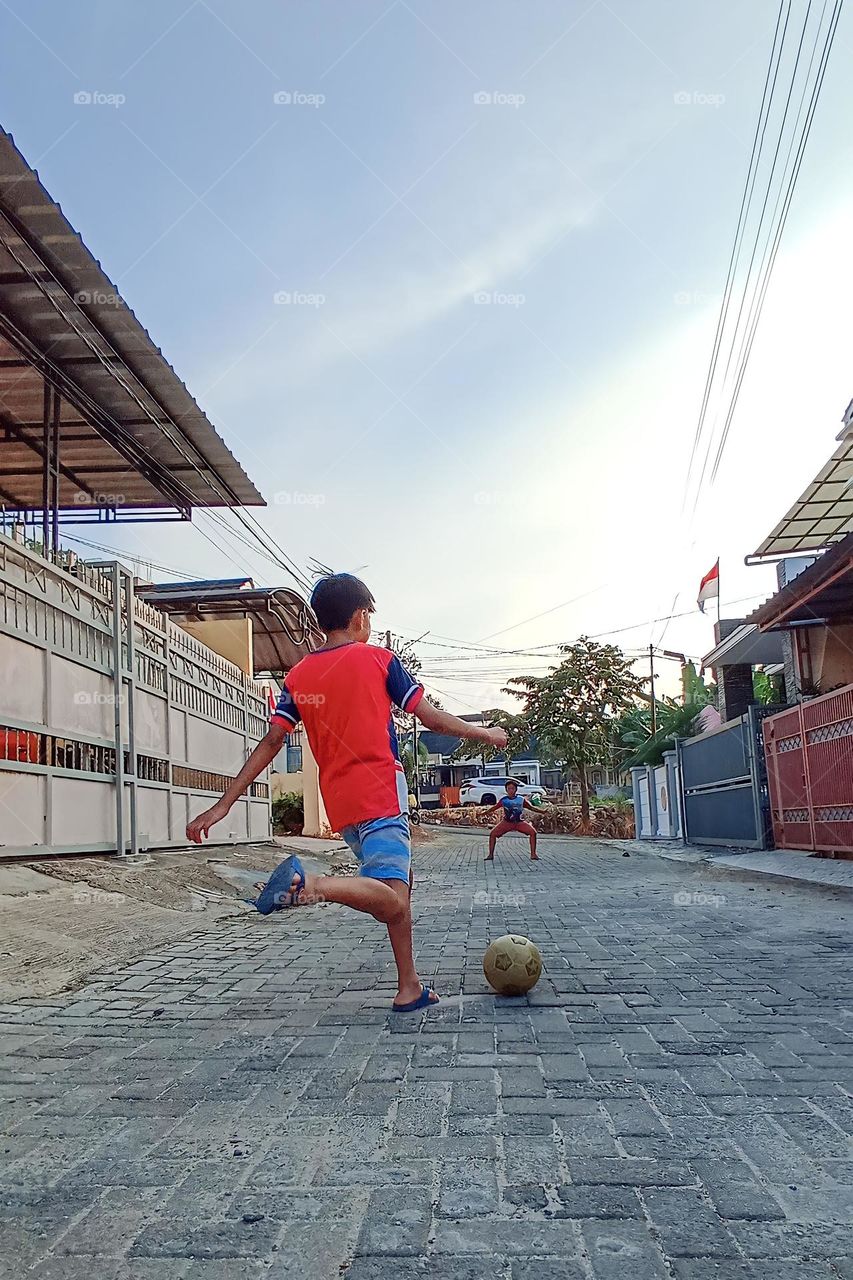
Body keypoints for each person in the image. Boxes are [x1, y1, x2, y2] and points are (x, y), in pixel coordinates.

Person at [186, 573, 507, 1014]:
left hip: (343, 806)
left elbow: (273, 741)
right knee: (391, 897)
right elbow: (431, 720)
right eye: (370, 616)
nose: (370, 624)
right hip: (380, 794)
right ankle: (311, 885)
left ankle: (409, 986)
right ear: (359, 617)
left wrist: (224, 803)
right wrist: (484, 733)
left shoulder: (299, 676)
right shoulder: (379, 660)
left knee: (399, 892)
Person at [483, 780, 539, 862]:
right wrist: (483, 813)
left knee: (533, 832)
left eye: (512, 788)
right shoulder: (504, 800)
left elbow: (531, 808)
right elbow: (494, 808)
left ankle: (533, 854)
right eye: (509, 789)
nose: (510, 790)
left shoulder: (521, 799)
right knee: (492, 834)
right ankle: (490, 855)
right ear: (506, 790)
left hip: (519, 822)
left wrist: (542, 811)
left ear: (516, 789)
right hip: (507, 822)